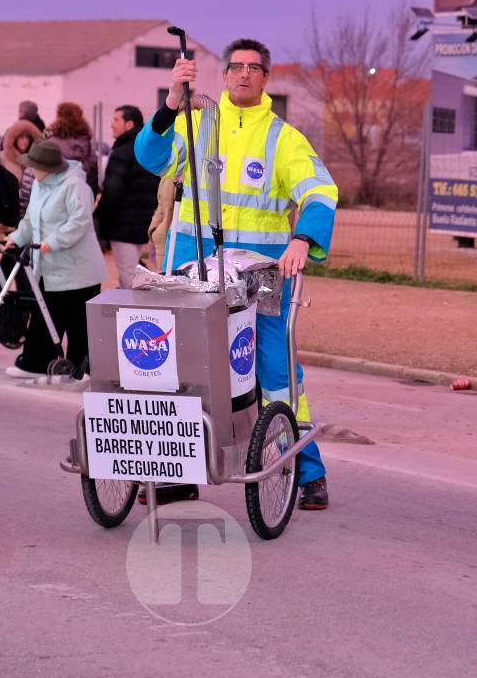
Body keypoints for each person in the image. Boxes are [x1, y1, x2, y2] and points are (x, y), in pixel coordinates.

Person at [134, 37, 339, 510]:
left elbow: (320, 191)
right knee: (184, 370)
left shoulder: (283, 138)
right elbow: (151, 157)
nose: (244, 74)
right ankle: (176, 473)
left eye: (254, 68)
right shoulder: (198, 123)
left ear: (266, 78)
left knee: (278, 373)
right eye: (236, 67)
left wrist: (302, 238)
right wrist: (169, 104)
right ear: (224, 76)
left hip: (262, 278)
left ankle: (307, 473)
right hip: (194, 268)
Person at [4, 140, 105, 379]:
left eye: (34, 167)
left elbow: (79, 221)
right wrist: (16, 238)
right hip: (49, 266)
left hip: (78, 268)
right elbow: (30, 219)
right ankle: (35, 362)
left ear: (49, 168)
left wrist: (55, 241)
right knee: (45, 314)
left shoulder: (75, 185)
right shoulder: (40, 185)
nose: (31, 171)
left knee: (78, 320)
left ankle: (82, 368)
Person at [96, 105, 158, 288]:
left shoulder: (121, 152)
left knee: (129, 278)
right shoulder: (146, 149)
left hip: (122, 226)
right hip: (142, 224)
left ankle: (134, 315)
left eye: (116, 120)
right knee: (133, 274)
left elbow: (113, 191)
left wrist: (101, 219)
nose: (111, 125)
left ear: (129, 124)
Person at [44, 102, 100, 197]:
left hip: (55, 197)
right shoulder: (86, 143)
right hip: (80, 196)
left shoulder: (50, 142)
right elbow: (93, 176)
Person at [0, 118, 43, 215]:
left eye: (27, 137)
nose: (25, 141)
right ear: (14, 138)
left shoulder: (33, 162)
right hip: (7, 213)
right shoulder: (3, 159)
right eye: (21, 137)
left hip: (29, 213)